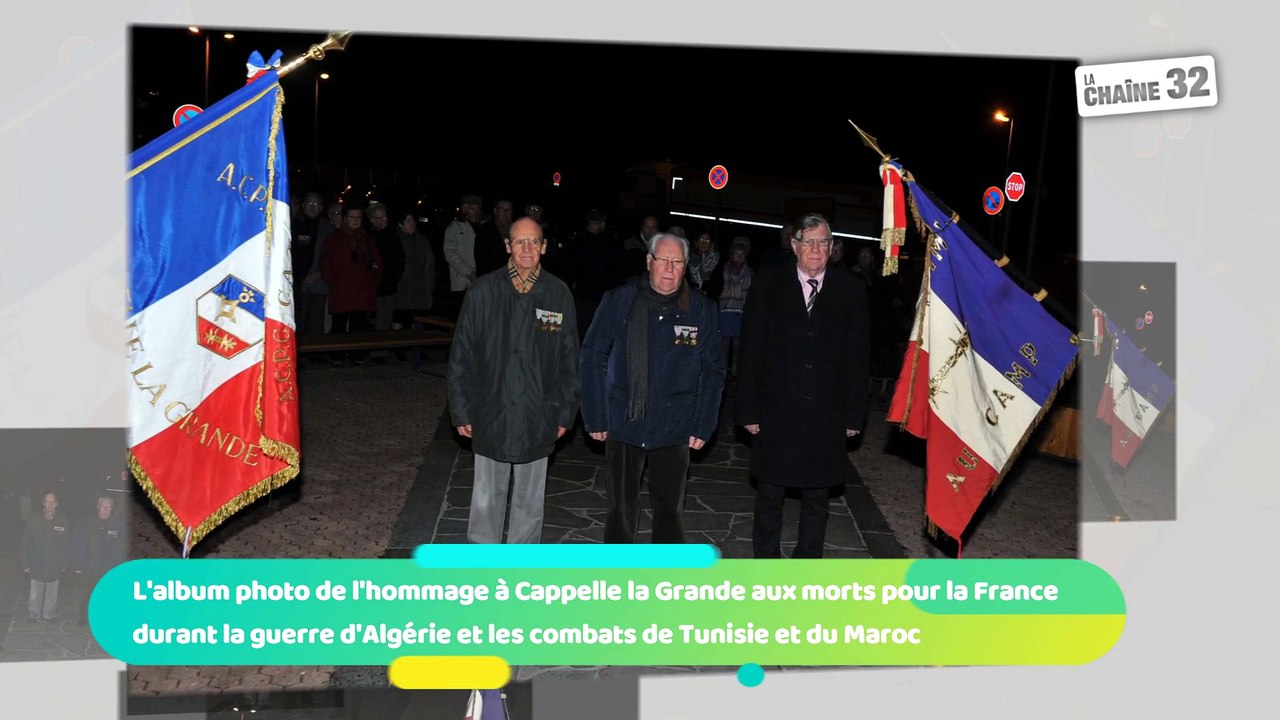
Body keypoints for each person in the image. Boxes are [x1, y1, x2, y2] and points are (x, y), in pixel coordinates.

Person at [735, 213, 871, 559]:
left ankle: (806, 564)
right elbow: (750, 349)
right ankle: (765, 563)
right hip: (775, 410)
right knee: (769, 495)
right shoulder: (767, 284)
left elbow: (859, 357)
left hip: (827, 411)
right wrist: (748, 408)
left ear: (832, 248)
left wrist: (855, 414)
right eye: (808, 241)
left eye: (822, 242)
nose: (815, 248)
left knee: (817, 499)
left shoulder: (851, 290)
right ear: (794, 246)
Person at [580, 232, 726, 543]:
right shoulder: (620, 300)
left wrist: (703, 424)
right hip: (623, 422)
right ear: (649, 262)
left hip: (675, 426)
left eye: (677, 262)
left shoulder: (700, 309)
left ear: (685, 266)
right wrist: (595, 416)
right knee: (620, 510)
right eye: (663, 260)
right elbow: (592, 354)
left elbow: (714, 371)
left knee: (669, 511)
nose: (670, 268)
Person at [447, 217, 580, 544]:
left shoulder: (558, 294)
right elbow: (461, 355)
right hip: (489, 411)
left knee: (529, 503)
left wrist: (564, 412)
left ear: (544, 247)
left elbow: (570, 360)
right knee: (486, 500)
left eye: (534, 241)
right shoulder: (482, 292)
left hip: (539, 414)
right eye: (519, 241)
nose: (527, 248)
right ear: (507, 245)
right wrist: (461, 410)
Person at [71, 496, 125, 624]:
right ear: (98, 507)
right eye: (104, 507)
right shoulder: (86, 523)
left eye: (109, 507)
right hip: (88, 566)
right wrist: (76, 564)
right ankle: (83, 617)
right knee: (86, 593)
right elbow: (75, 543)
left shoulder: (117, 525)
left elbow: (121, 548)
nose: (106, 510)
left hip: (107, 568)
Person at [21, 491, 70, 620]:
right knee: (36, 590)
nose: (50, 504)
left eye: (52, 501)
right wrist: (25, 563)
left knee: (52, 590)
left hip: (55, 563)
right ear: (43, 503)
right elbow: (26, 542)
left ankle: (49, 613)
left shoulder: (62, 520)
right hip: (37, 561)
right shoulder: (34, 518)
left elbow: (66, 544)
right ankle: (34, 612)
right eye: (47, 501)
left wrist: (64, 563)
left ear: (57, 504)